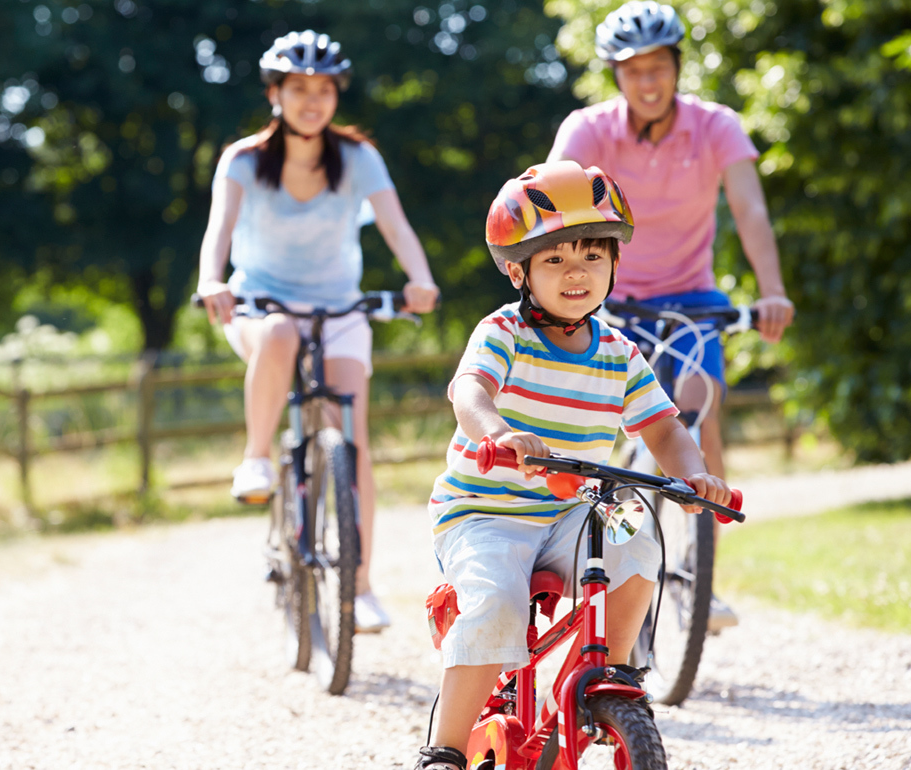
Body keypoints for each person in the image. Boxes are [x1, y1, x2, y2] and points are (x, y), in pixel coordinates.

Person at [414, 161, 731, 770]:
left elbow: (664, 427)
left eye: (592, 254)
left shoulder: (618, 352)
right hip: (486, 513)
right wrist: (500, 433)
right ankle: (445, 750)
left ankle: (609, 674)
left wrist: (693, 474)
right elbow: (469, 393)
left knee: (638, 535)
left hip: (572, 511)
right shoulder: (503, 331)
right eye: (554, 259)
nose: (576, 271)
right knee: (495, 604)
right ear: (519, 271)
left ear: (615, 263)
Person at [547, 0, 794, 631]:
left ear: (677, 67)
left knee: (697, 402)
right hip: (612, 300)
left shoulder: (715, 127)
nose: (648, 82)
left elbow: (751, 212)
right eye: (634, 71)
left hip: (691, 298)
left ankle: (697, 575)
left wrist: (771, 290)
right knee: (608, 434)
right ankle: (620, 552)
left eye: (659, 67)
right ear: (615, 76)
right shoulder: (589, 129)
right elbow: (553, 202)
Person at [196, 30, 439, 633]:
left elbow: (397, 226)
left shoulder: (358, 158)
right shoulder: (245, 160)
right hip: (260, 305)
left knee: (350, 437)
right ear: (275, 93)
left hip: (339, 310)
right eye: (298, 88)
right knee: (278, 334)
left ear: (336, 96)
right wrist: (211, 280)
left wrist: (420, 278)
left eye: (324, 90)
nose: (312, 101)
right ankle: (256, 459)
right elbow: (218, 231)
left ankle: (360, 587)